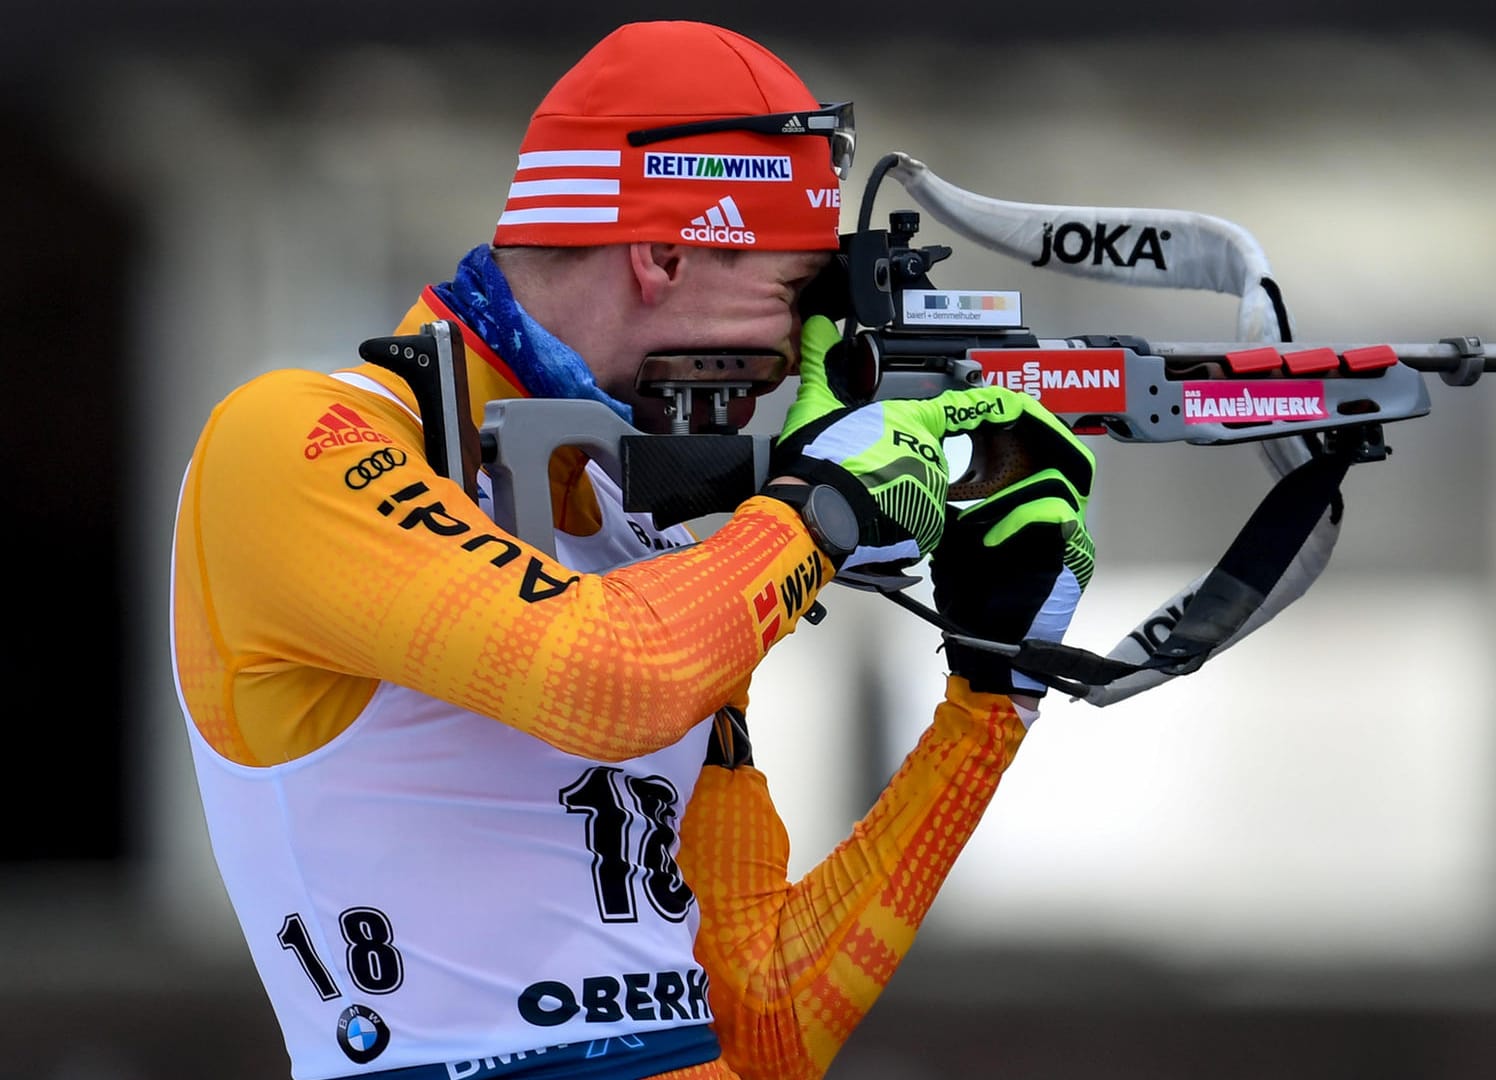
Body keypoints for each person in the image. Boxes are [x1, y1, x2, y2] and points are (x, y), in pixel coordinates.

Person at [169, 20, 1095, 1080]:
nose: (804, 355)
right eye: (795, 296)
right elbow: (610, 682)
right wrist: (821, 507)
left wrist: (992, 703)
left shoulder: (638, 524)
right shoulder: (293, 438)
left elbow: (769, 1021)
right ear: (661, 252)